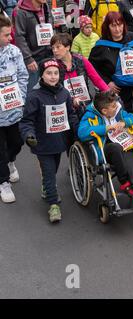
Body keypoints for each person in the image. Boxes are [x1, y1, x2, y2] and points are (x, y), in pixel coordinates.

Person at [19, 58, 79, 223]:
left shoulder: (64, 93)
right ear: (42, 75)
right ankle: (54, 205)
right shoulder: (34, 96)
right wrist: (29, 136)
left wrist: (78, 130)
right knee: (49, 173)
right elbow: (27, 121)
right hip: (42, 143)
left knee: (53, 171)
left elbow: (71, 115)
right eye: (48, 73)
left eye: (56, 73)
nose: (53, 77)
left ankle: (47, 188)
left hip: (60, 142)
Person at [77, 90, 133, 210]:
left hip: (126, 146)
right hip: (106, 150)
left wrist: (125, 122)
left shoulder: (119, 112)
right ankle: (125, 181)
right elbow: (82, 133)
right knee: (116, 148)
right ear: (104, 111)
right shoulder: (90, 115)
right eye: (113, 106)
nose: (116, 107)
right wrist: (106, 128)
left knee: (132, 160)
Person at [89, 11, 133, 112]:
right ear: (107, 27)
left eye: (120, 25)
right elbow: (92, 68)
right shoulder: (101, 46)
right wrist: (107, 82)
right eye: (113, 26)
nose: (117, 29)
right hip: (117, 93)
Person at [0, 15, 28, 204]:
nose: (10, 38)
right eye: (5, 35)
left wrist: (21, 98)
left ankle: (10, 161)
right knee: (0, 149)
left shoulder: (14, 51)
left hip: (14, 108)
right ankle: (3, 182)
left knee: (17, 142)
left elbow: (23, 75)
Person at [51, 32, 109, 116]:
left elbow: (97, 80)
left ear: (67, 47)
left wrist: (110, 94)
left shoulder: (81, 60)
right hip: (64, 108)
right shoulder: (53, 64)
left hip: (85, 105)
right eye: (53, 48)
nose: (54, 51)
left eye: (58, 47)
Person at [12, 0, 54, 92]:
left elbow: (51, 27)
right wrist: (28, 58)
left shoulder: (45, 6)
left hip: (49, 54)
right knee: (31, 90)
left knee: (49, 88)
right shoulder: (20, 11)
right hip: (33, 59)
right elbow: (19, 36)